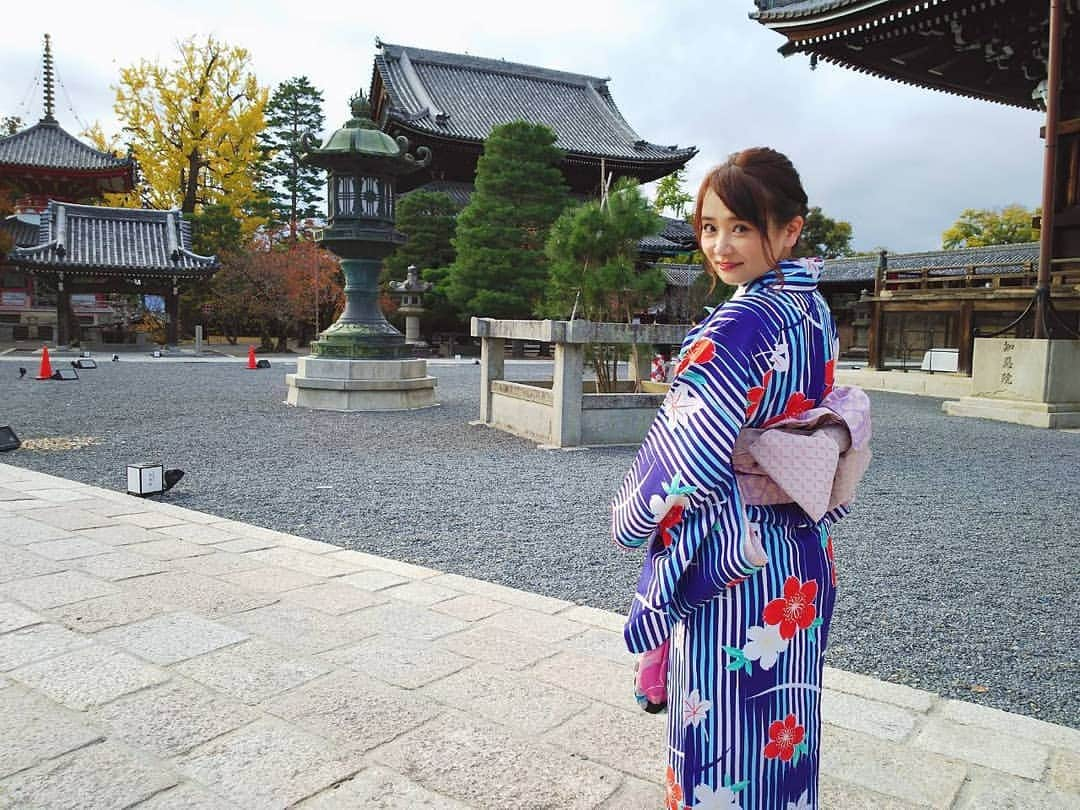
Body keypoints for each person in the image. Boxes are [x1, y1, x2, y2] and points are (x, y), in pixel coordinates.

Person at [612, 147, 859, 810]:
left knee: (721, 733)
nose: (721, 246)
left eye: (742, 228)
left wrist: (633, 516)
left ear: (790, 231)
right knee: (784, 726)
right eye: (710, 226)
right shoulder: (814, 310)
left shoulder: (739, 322)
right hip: (802, 554)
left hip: (739, 559)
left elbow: (685, 457)